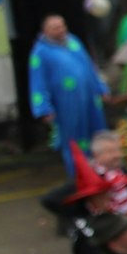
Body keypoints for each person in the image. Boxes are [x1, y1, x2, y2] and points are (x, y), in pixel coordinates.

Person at [27, 15, 107, 181]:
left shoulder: (74, 41)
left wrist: (101, 88)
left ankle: (103, 173)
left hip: (90, 99)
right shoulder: (40, 53)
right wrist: (43, 108)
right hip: (66, 104)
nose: (61, 30)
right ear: (45, 31)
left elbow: (90, 67)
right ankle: (79, 178)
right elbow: (37, 82)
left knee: (98, 136)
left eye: (62, 25)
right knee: (74, 142)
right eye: (55, 27)